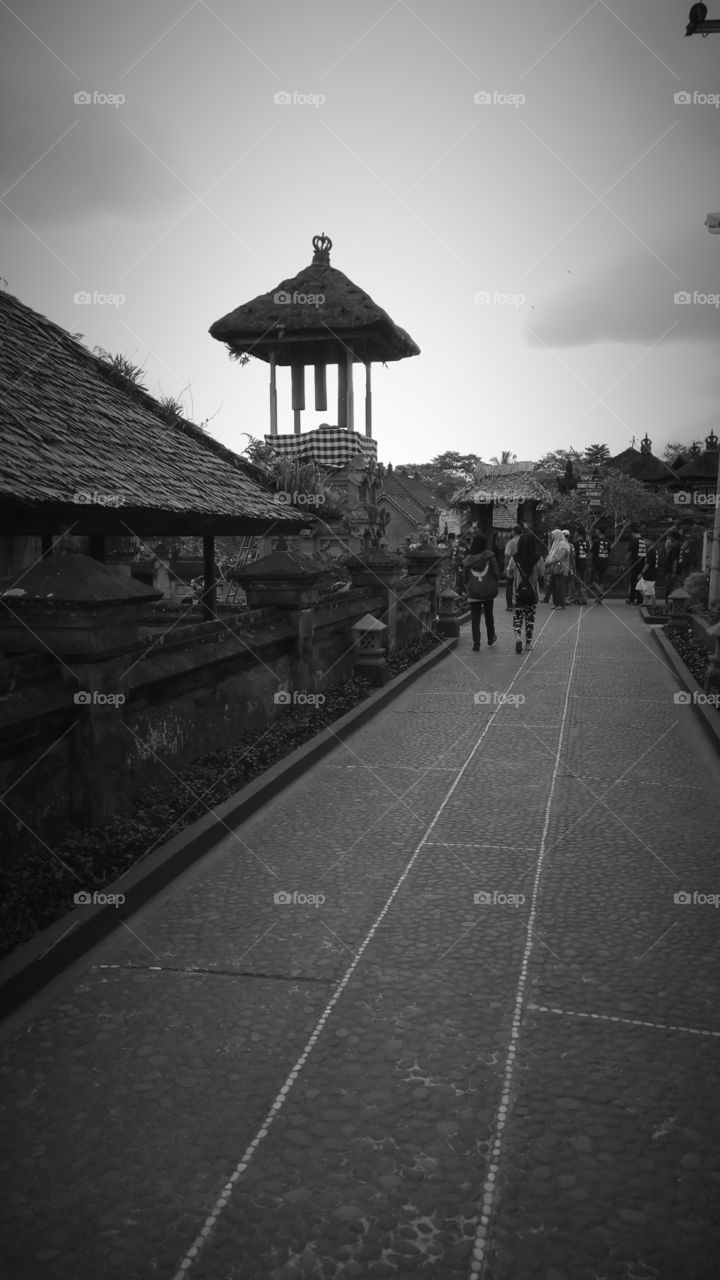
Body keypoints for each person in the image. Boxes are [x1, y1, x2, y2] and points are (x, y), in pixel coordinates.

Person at [509, 530, 544, 652]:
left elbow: (509, 573)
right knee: (530, 618)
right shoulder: (538, 557)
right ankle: (528, 644)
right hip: (532, 593)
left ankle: (518, 637)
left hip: (517, 593)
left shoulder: (515, 558)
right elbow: (541, 573)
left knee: (517, 617)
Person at [463, 534, 499, 650]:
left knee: (475, 618)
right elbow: (496, 572)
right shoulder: (489, 556)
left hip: (473, 592)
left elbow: (464, 577)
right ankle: (490, 637)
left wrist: (466, 586)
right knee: (489, 614)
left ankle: (476, 643)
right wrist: (495, 581)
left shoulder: (468, 560)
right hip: (488, 591)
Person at [545, 529, 572, 608]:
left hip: (561, 569)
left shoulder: (563, 544)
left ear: (557, 535)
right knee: (554, 586)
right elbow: (550, 554)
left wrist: (548, 562)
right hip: (554, 568)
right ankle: (556, 604)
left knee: (560, 586)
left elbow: (559, 557)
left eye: (552, 535)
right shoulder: (555, 543)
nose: (551, 537)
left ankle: (561, 604)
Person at [626, 526, 649, 604]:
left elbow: (629, 552)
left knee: (633, 581)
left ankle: (631, 599)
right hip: (642, 564)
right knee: (640, 582)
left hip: (635, 564)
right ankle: (640, 600)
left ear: (633, 533)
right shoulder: (644, 541)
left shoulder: (634, 541)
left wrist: (624, 561)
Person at [504, 525, 523, 611]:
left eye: (512, 531)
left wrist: (506, 568)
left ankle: (510, 605)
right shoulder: (524, 541)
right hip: (523, 566)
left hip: (512, 566)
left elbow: (507, 557)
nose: (511, 532)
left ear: (514, 532)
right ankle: (520, 603)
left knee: (510, 586)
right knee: (520, 585)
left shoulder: (511, 543)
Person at [572, 527, 591, 604]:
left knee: (578, 583)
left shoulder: (576, 543)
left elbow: (574, 556)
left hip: (578, 564)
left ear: (577, 533)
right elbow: (588, 553)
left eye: (575, 532)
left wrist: (573, 567)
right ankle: (578, 598)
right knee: (582, 582)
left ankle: (584, 598)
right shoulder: (586, 543)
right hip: (584, 563)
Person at [591, 529, 611, 593]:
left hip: (597, 563)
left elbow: (592, 552)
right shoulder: (608, 542)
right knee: (601, 580)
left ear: (599, 531)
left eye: (596, 530)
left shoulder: (596, 541)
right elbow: (609, 552)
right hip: (605, 562)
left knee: (592, 580)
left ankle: (601, 592)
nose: (596, 532)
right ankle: (600, 598)